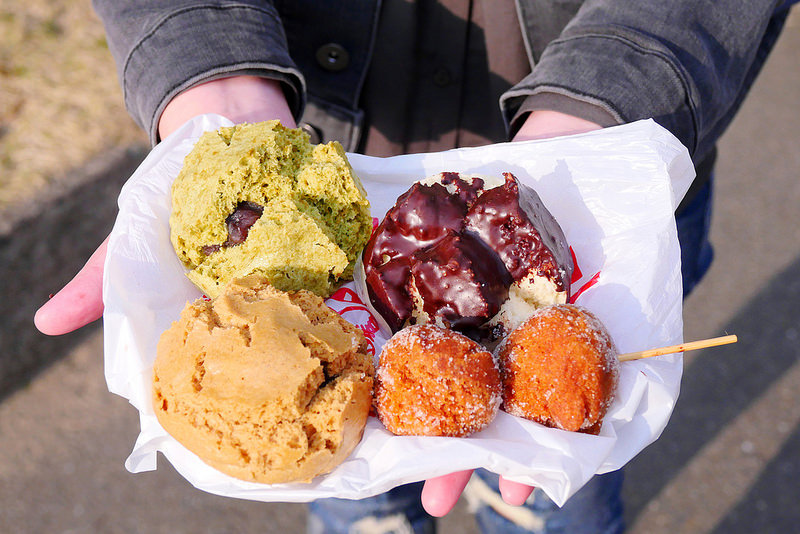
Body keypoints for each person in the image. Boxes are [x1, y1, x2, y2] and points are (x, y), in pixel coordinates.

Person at [35, 1, 795, 532]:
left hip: (607, 153)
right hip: (317, 149)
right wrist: (209, 67)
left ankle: (525, 514)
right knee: (349, 482)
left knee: (558, 482)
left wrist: (611, 104)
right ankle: (369, 518)